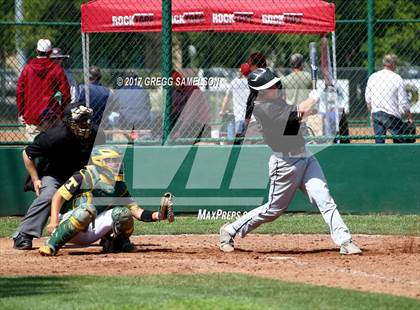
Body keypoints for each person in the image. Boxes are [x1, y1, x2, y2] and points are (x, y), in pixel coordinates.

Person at [219, 68, 362, 255]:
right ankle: (230, 230)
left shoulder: (275, 101)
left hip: (305, 156)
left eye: (275, 83)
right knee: (273, 210)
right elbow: (299, 111)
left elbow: (298, 116)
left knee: (324, 198)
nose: (276, 86)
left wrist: (317, 102)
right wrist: (316, 94)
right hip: (285, 164)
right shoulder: (262, 107)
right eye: (271, 85)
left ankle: (345, 241)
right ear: (261, 91)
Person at [38, 145, 174, 256]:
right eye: (110, 160)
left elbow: (136, 211)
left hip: (92, 229)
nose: (116, 164)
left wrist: (158, 215)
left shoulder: (119, 184)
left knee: (123, 214)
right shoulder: (85, 175)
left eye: (117, 160)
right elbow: (58, 196)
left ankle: (116, 244)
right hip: (69, 224)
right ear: (99, 161)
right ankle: (52, 244)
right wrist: (54, 221)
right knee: (87, 210)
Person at [12, 104, 104, 250]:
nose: (84, 124)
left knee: (103, 190)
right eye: (80, 120)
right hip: (55, 175)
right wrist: (35, 179)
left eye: (86, 119)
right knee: (48, 195)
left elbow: (101, 156)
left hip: (81, 174)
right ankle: (23, 234)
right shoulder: (54, 136)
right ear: (67, 121)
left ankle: (108, 234)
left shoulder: (95, 133)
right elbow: (27, 154)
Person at [16, 39, 71, 141]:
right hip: (52, 116)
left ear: (36, 51)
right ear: (50, 52)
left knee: (33, 150)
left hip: (32, 115)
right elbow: (66, 93)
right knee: (52, 149)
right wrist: (62, 111)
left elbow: (20, 92)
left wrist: (22, 112)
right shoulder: (57, 69)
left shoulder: (27, 68)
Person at [365, 54, 413, 143]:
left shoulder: (373, 76)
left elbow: (368, 100)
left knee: (379, 142)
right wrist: (409, 117)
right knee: (400, 140)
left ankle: (379, 155)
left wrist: (372, 114)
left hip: (376, 113)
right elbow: (403, 102)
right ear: (393, 64)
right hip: (391, 115)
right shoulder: (397, 78)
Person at [281, 53, 322, 136]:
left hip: (292, 113)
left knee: (292, 141)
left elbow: (283, 98)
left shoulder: (285, 80)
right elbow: (314, 93)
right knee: (310, 141)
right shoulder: (309, 77)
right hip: (307, 112)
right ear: (302, 64)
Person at [171, 70, 211, 143]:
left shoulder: (192, 88)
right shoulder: (174, 91)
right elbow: (174, 111)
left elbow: (191, 114)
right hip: (185, 123)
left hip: (199, 124)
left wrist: (179, 131)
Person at [219, 63, 252, 137]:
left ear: (241, 72)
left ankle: (231, 143)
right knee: (250, 142)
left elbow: (227, 99)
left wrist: (222, 111)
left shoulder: (234, 82)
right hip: (252, 118)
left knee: (237, 141)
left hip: (239, 117)